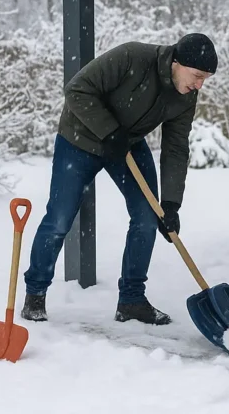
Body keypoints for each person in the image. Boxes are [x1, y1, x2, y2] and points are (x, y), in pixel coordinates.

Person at [21, 33, 218, 325]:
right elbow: (77, 90)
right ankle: (35, 294)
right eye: (197, 76)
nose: (199, 85)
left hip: (126, 144)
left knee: (148, 217)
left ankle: (132, 300)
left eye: (206, 79)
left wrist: (172, 203)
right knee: (60, 217)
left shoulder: (185, 95)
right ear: (176, 62)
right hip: (81, 139)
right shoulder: (132, 57)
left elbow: (176, 147)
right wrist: (108, 130)